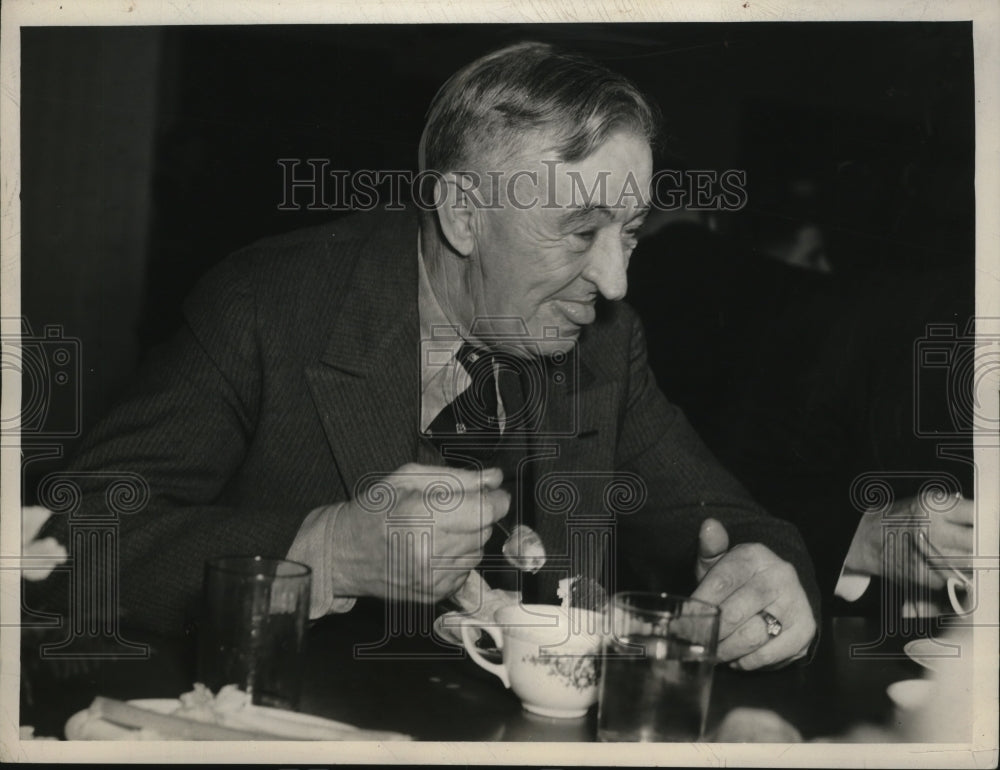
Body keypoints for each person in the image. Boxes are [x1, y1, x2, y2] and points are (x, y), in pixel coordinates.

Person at [34, 41, 818, 670]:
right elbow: (69, 539)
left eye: (632, 234)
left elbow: (733, 525)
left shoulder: (605, 344)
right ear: (463, 216)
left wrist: (767, 574)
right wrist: (327, 551)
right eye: (581, 232)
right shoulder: (268, 306)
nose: (615, 282)